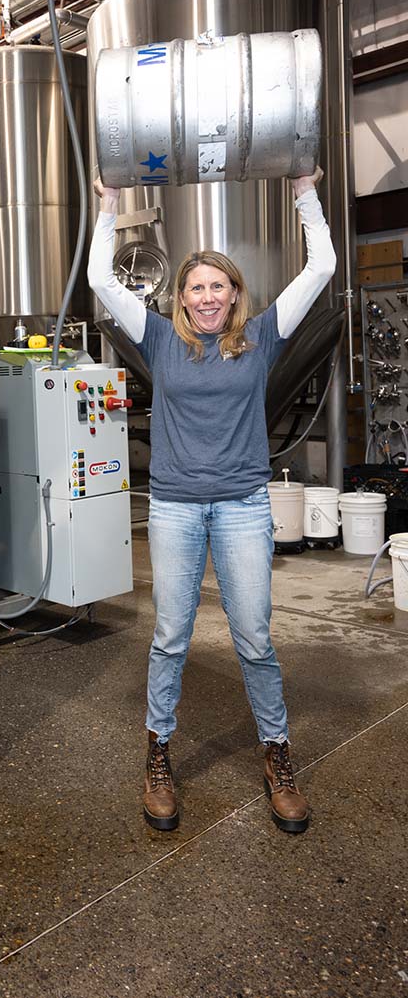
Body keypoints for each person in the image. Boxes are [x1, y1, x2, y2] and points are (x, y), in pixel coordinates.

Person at [87, 167, 335, 835]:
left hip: (243, 507)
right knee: (170, 637)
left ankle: (277, 757)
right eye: (195, 287)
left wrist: (304, 193)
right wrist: (107, 206)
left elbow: (323, 266)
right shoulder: (160, 338)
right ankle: (158, 756)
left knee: (255, 639)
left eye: (216, 286)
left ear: (233, 295)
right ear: (182, 296)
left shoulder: (261, 338)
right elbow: (101, 282)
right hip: (173, 507)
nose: (205, 296)